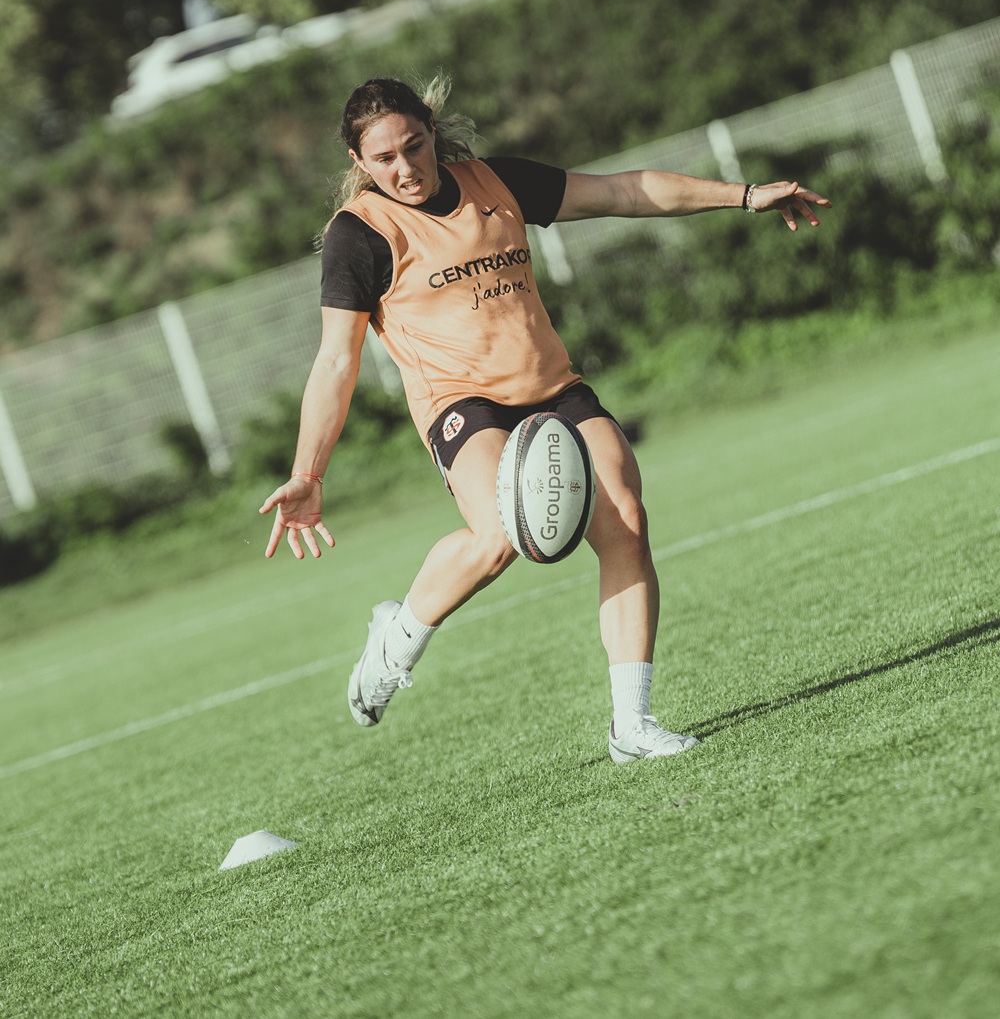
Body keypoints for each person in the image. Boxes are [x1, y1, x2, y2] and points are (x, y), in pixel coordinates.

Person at [259, 75, 830, 763]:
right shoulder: (363, 234)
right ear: (360, 163)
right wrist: (307, 472)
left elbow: (623, 191)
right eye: (385, 159)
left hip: (552, 386)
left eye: (414, 145)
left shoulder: (494, 182)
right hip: (461, 402)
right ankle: (398, 634)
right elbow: (334, 363)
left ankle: (632, 725)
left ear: (431, 131)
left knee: (626, 516)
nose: (405, 167)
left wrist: (742, 196)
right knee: (497, 537)